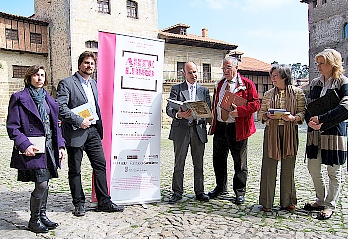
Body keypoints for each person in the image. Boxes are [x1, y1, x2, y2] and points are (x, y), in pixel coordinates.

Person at [56, 51, 124, 216]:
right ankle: (79, 203)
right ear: (80, 64)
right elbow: (60, 107)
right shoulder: (67, 83)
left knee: (100, 164)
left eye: (92, 64)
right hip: (75, 131)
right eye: (86, 63)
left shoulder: (93, 83)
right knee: (75, 169)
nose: (89, 66)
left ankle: (104, 201)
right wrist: (79, 120)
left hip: (93, 130)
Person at [6, 65, 66, 233]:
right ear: (29, 77)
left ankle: (42, 215)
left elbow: (56, 126)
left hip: (49, 147)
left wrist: (60, 145)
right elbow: (13, 127)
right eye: (36, 75)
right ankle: (34, 220)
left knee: (45, 183)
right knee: (41, 183)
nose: (39, 78)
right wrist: (24, 145)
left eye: (42, 75)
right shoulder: (18, 98)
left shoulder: (49, 100)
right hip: (33, 147)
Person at [208, 56, 260, 205]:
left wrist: (241, 111)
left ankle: (240, 192)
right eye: (223, 68)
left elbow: (256, 104)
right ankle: (220, 187)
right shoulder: (219, 84)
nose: (225, 71)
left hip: (237, 128)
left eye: (228, 67)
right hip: (220, 126)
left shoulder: (247, 84)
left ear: (237, 68)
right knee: (218, 160)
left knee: (240, 162)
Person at [304, 49, 348, 220]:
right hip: (314, 132)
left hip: (334, 133)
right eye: (317, 63)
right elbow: (308, 105)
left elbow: (345, 107)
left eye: (321, 63)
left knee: (334, 171)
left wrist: (322, 119)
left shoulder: (343, 82)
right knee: (313, 167)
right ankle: (320, 199)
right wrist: (309, 120)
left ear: (332, 63)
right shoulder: (315, 83)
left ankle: (330, 205)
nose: (318, 66)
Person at [258, 64, 306, 212]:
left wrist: (293, 117)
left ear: (285, 76)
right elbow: (261, 114)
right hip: (271, 131)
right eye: (271, 75)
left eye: (276, 75)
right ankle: (266, 201)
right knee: (268, 166)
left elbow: (303, 112)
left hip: (289, 131)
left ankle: (288, 201)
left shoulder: (298, 93)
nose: (273, 78)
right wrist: (267, 115)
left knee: (288, 167)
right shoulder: (268, 94)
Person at [166, 61, 211, 204]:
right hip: (181, 130)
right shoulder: (176, 89)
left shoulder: (204, 90)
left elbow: (208, 110)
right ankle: (177, 192)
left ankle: (200, 191)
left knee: (199, 163)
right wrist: (179, 114)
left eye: (196, 72)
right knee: (179, 163)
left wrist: (202, 113)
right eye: (190, 72)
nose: (194, 75)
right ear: (184, 73)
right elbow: (168, 108)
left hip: (198, 130)